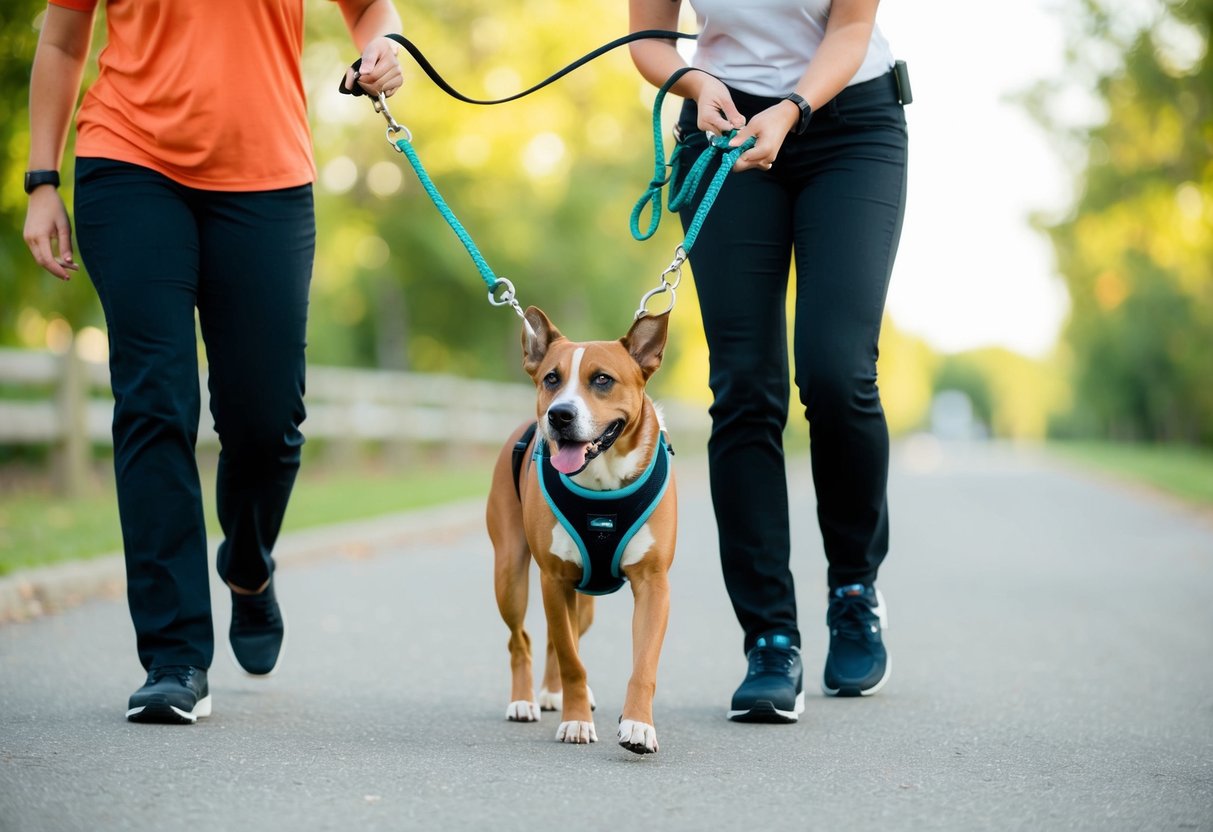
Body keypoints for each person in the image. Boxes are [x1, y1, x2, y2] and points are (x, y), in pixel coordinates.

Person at [23, 0, 403, 724]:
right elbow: (65, 40)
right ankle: (174, 658)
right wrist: (42, 180)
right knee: (154, 401)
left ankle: (249, 565)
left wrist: (385, 50)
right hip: (128, 163)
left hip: (266, 181)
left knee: (267, 420)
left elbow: (371, 10)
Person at [629, 0, 908, 722]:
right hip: (721, 129)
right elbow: (648, 40)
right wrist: (693, 81)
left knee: (834, 369)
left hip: (847, 123)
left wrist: (790, 106)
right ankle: (769, 640)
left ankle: (853, 591)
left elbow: (848, 30)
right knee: (745, 386)